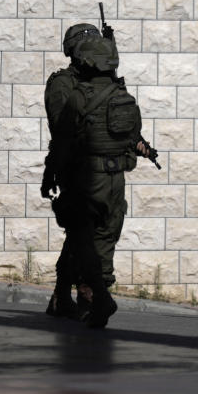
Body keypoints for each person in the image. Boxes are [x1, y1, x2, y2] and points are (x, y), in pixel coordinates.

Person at [42, 36, 150, 328]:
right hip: (112, 178)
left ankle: (94, 296)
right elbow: (130, 134)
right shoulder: (121, 96)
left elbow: (62, 138)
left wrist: (50, 174)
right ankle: (84, 295)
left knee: (82, 237)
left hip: (86, 176)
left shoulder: (82, 95)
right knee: (97, 238)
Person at [43, 22, 101, 319]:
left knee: (83, 230)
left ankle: (62, 293)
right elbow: (62, 126)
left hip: (98, 167)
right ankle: (84, 286)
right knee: (83, 229)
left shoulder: (102, 81)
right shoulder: (62, 83)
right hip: (73, 166)